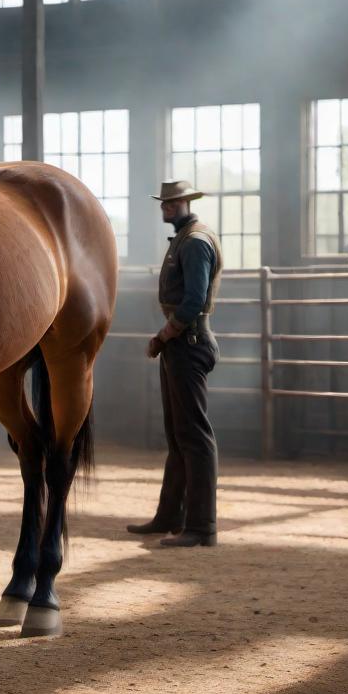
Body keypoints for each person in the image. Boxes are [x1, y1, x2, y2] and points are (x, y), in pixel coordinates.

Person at [127, 180, 223, 548]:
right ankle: (171, 516)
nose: (167, 208)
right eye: (164, 203)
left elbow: (194, 300)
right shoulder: (186, 239)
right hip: (182, 343)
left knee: (194, 436)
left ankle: (202, 526)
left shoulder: (195, 242)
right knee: (179, 433)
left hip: (188, 341)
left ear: (185, 203)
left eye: (172, 202)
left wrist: (164, 335)